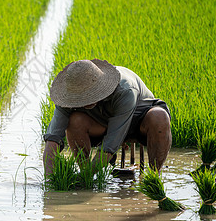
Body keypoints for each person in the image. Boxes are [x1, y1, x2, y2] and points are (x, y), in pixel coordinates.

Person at [43, 59, 172, 176]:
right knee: (75, 121)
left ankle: (155, 176)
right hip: (102, 123)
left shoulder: (125, 89)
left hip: (138, 121)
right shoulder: (68, 97)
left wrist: (82, 180)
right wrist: (49, 179)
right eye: (81, 98)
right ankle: (86, 170)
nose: (85, 100)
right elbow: (52, 139)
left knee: (159, 117)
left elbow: (110, 145)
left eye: (89, 95)